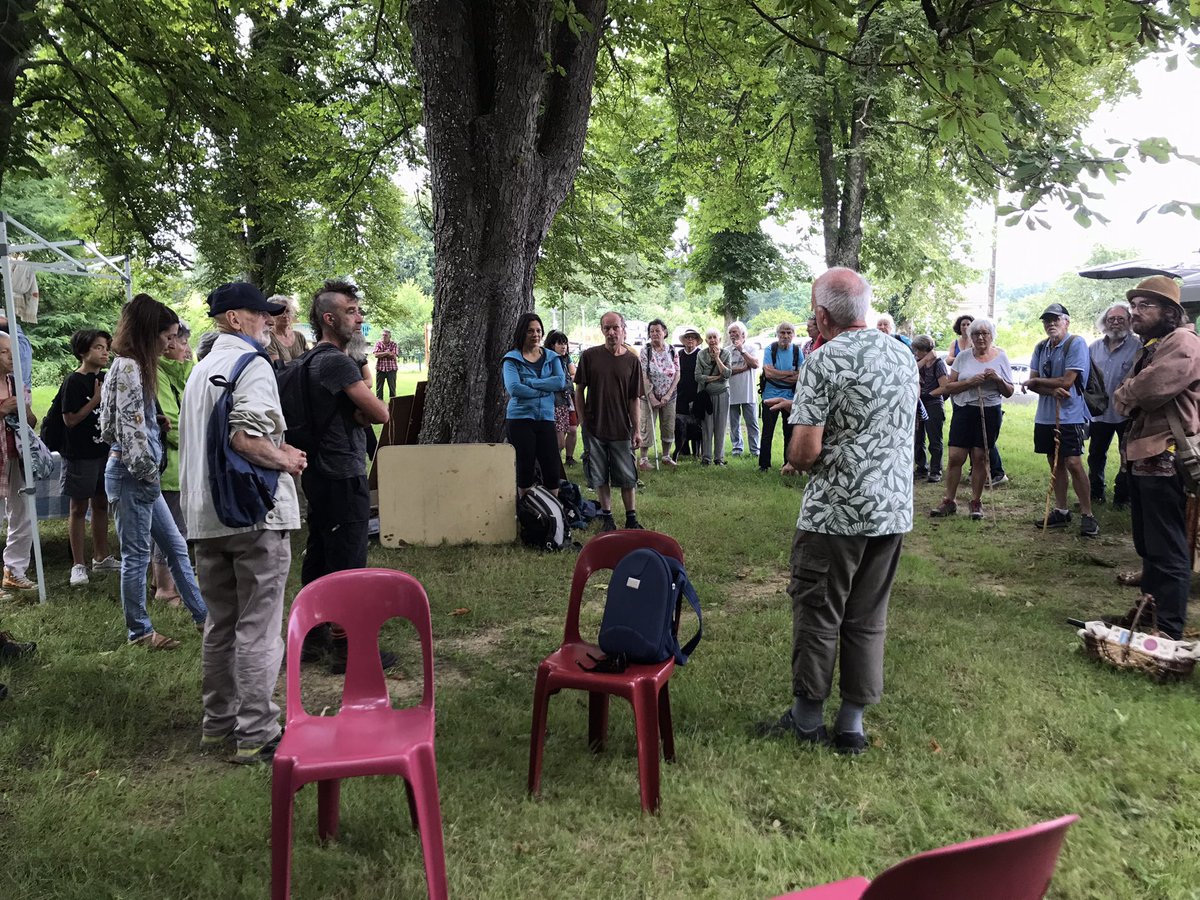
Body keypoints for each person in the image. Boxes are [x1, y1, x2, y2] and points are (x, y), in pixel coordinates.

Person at [758, 267, 917, 755]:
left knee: (819, 610)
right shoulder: (903, 355)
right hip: (891, 509)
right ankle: (851, 727)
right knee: (868, 615)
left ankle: (807, 720)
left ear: (822, 315)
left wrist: (795, 457)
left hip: (836, 513)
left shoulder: (824, 361)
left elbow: (804, 452)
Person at [179, 282, 306, 764]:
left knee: (221, 625)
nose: (268, 322)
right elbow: (245, 439)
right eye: (260, 315)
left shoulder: (200, 369)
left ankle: (217, 725)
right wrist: (287, 458)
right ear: (235, 318)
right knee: (258, 625)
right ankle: (256, 732)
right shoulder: (251, 366)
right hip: (254, 514)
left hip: (207, 517)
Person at [99, 294, 207, 649]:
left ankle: (204, 618)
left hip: (139, 476)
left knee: (176, 546)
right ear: (150, 332)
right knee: (136, 556)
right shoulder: (130, 367)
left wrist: (152, 422)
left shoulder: (127, 364)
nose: (173, 343)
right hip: (134, 476)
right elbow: (127, 435)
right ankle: (140, 632)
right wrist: (147, 473)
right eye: (169, 335)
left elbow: (110, 423)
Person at [298, 280, 393, 673]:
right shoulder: (335, 361)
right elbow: (382, 413)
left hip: (320, 472)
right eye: (352, 311)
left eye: (358, 309)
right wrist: (364, 413)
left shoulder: (308, 360)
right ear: (329, 318)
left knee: (319, 555)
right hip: (342, 473)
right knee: (349, 561)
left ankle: (312, 636)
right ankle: (348, 648)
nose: (360, 316)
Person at [1107, 275, 1200, 640]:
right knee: (1148, 545)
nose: (1135, 312)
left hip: (1167, 457)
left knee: (1169, 548)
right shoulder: (1152, 346)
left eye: (1145, 305)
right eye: (1134, 305)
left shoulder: (1183, 342)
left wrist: (1129, 393)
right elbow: (1121, 395)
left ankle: (1169, 630)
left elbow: (1149, 389)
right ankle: (1150, 613)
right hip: (1143, 457)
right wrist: (1129, 393)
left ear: (1169, 312)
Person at [1024, 302, 1098, 537]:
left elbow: (1066, 382)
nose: (1051, 324)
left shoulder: (1076, 343)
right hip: (1045, 417)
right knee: (1054, 463)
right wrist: (1046, 387)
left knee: (1074, 463)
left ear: (1066, 321)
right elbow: (1033, 383)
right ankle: (1061, 510)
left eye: (1056, 319)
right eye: (1047, 320)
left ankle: (1088, 515)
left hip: (1071, 416)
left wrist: (1038, 383)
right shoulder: (1040, 347)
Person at [928, 319, 1014, 519]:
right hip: (964, 410)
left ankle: (976, 502)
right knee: (956, 456)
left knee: (980, 457)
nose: (980, 337)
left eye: (985, 333)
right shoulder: (963, 357)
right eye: (976, 334)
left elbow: (1009, 391)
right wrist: (969, 382)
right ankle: (949, 501)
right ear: (970, 337)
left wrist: (998, 379)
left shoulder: (1001, 357)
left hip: (990, 411)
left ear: (992, 336)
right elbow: (949, 386)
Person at [60, 329, 119, 587]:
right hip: (80, 454)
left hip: (104, 452)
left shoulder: (107, 378)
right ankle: (78, 564)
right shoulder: (73, 381)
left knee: (101, 504)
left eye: (106, 347)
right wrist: (96, 400)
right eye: (98, 347)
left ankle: (102, 556)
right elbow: (69, 419)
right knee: (78, 508)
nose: (105, 352)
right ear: (83, 352)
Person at [574, 311, 643, 531]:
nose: (611, 332)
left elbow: (635, 398)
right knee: (599, 474)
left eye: (615, 328)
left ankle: (631, 518)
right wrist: (583, 421)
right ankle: (607, 517)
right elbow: (579, 390)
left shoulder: (632, 361)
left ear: (624, 329)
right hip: (595, 427)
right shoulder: (589, 356)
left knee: (627, 475)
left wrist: (637, 430)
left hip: (622, 428)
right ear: (602, 330)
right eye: (606, 328)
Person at [150, 321, 194, 604]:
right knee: (172, 529)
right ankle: (166, 589)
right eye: (179, 341)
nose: (183, 348)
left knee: (175, 527)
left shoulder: (182, 371)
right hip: (171, 464)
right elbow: (171, 421)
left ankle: (161, 582)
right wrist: (199, 442)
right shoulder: (157, 373)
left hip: (181, 463)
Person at [502, 313, 566, 496]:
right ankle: (527, 510)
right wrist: (545, 389)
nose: (535, 334)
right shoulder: (511, 359)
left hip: (545, 418)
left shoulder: (552, 357)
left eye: (538, 330)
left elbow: (560, 382)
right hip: (520, 419)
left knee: (552, 467)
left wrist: (530, 382)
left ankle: (553, 513)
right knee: (525, 467)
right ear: (522, 332)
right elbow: (514, 388)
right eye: (530, 331)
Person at [1088, 301, 1138, 509]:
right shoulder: (1093, 348)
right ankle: (1095, 493)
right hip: (1099, 413)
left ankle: (1122, 496)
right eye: (1111, 319)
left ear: (1128, 322)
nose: (1116, 323)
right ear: (1105, 322)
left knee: (1127, 456)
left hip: (1126, 413)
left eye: (1120, 319)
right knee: (1096, 455)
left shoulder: (1138, 346)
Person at [0, 332, 37, 593]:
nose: (11, 356)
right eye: (4, 352)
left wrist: (23, 410)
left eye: (13, 351)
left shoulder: (15, 382)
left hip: (15, 454)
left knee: (22, 513)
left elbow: (32, 422)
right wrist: (2, 409)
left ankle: (14, 570)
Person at [759, 322, 803, 474]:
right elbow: (768, 373)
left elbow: (800, 376)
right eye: (782, 333)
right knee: (767, 432)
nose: (785, 336)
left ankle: (787, 464)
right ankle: (764, 465)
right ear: (777, 334)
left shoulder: (797, 351)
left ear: (793, 335)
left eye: (788, 332)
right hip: (769, 396)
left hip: (790, 398)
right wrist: (790, 374)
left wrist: (778, 374)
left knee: (789, 433)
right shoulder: (770, 349)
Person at [638, 320, 679, 469]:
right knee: (646, 426)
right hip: (649, 396)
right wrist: (652, 396)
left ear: (665, 332)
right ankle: (643, 459)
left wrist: (668, 394)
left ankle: (666, 456)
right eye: (652, 331)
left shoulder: (672, 350)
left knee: (668, 425)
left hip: (669, 396)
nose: (655, 334)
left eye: (658, 331)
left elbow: (677, 373)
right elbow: (643, 374)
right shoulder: (645, 351)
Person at [912, 334, 948, 484]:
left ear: (925, 350)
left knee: (935, 439)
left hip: (933, 403)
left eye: (918, 350)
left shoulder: (938, 364)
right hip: (919, 404)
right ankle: (921, 467)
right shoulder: (916, 362)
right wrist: (924, 360)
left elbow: (944, 387)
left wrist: (927, 395)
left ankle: (935, 470)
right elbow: (911, 371)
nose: (915, 353)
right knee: (918, 438)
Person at [695, 327, 732, 466]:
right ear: (706, 340)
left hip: (722, 393)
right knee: (706, 427)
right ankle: (706, 458)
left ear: (719, 339)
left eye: (714, 337)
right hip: (706, 396)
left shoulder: (726, 354)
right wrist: (716, 377)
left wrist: (717, 358)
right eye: (709, 338)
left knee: (720, 426)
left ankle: (719, 458)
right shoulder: (701, 355)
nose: (712, 340)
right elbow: (698, 377)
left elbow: (727, 374)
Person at [544, 331, 579, 466]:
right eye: (560, 343)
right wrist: (564, 382)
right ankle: (553, 463)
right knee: (558, 440)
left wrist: (567, 382)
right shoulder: (548, 359)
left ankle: (565, 460)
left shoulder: (566, 358)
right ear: (552, 345)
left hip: (566, 400)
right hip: (555, 402)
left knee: (571, 430)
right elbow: (555, 382)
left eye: (565, 343)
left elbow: (573, 375)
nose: (563, 346)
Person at [726, 321, 760, 458]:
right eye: (730, 332)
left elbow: (755, 364)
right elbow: (725, 371)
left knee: (752, 423)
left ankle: (755, 450)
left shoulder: (751, 348)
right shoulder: (726, 351)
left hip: (748, 392)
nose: (733, 335)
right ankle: (737, 449)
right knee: (734, 424)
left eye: (735, 332)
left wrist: (742, 350)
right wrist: (742, 368)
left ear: (743, 334)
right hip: (731, 392)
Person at [674, 326, 703, 458]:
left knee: (696, 424)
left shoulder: (700, 354)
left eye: (693, 338)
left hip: (696, 394)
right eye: (687, 338)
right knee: (679, 423)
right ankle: (683, 450)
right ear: (684, 340)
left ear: (697, 341)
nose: (690, 340)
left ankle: (697, 452)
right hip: (680, 394)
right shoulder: (678, 354)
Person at [265, 295, 309, 365]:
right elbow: (277, 366)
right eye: (281, 311)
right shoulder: (269, 338)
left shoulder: (299, 336)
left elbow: (310, 359)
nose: (285, 316)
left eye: (288, 311)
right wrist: (302, 362)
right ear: (271, 314)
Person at [373, 328, 400, 402]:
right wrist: (387, 353)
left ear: (389, 336)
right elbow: (376, 355)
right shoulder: (378, 343)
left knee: (392, 389)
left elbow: (394, 356)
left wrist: (382, 353)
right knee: (379, 389)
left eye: (386, 335)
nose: (384, 336)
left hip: (391, 369)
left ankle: (393, 406)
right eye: (383, 335)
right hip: (380, 369)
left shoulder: (394, 344)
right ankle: (379, 406)